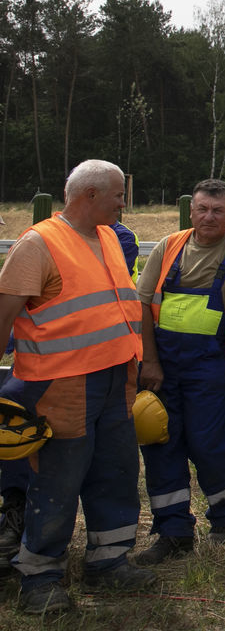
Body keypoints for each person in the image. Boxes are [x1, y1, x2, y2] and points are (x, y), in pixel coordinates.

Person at [0, 160, 156, 614]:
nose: (123, 204)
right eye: (118, 195)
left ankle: (108, 563)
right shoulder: (38, 244)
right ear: (89, 195)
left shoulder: (107, 236)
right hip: (60, 386)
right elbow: (4, 316)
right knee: (57, 479)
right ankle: (39, 577)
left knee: (115, 470)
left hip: (114, 380)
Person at [132, 179, 225, 564]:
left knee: (209, 446)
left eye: (217, 211)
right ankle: (172, 531)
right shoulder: (169, 245)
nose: (208, 217)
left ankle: (224, 520)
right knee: (161, 444)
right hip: (163, 366)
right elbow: (143, 306)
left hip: (212, 366)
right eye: (202, 209)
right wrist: (151, 361)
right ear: (191, 210)